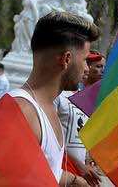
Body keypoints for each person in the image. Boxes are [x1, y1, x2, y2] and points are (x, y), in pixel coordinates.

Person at [9, 11, 99, 186]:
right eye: (85, 60)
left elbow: (41, 170)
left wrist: (74, 180)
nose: (86, 69)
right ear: (66, 59)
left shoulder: (46, 107)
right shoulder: (21, 111)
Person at [54, 50, 103, 185]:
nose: (87, 68)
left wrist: (88, 161)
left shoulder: (85, 98)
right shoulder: (58, 96)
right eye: (85, 63)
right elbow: (54, 140)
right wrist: (79, 166)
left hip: (81, 172)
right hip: (62, 170)